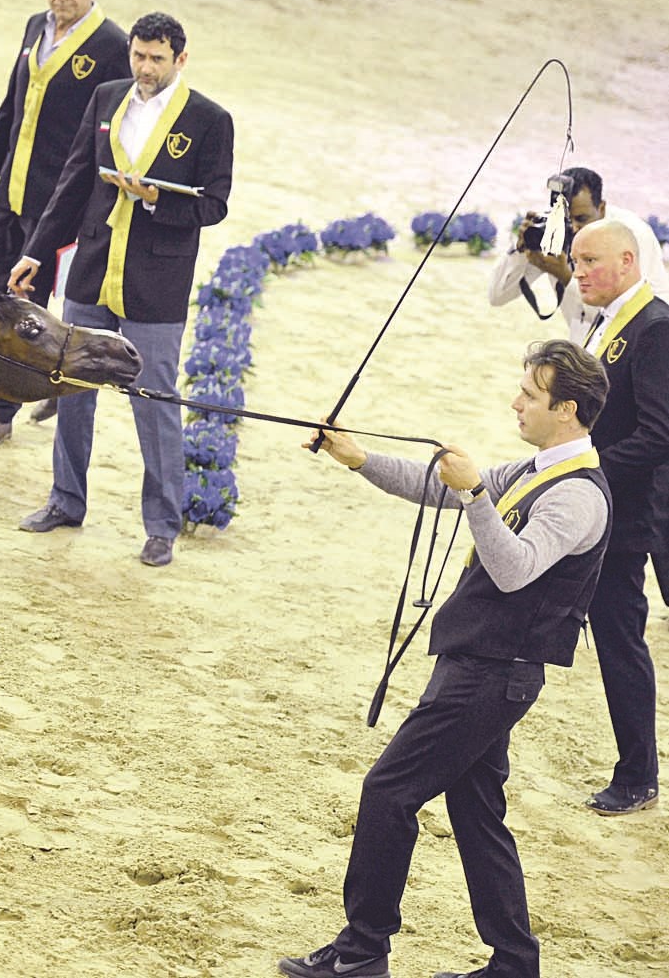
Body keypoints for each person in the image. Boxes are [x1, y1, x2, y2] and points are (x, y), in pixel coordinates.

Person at [282, 339, 612, 978]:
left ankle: (362, 950)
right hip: (481, 666)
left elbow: (515, 570)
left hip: (493, 674)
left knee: (388, 792)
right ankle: (514, 963)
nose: (516, 401)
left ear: (567, 408)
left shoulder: (578, 496)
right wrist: (356, 457)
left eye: (531, 395)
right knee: (477, 811)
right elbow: (437, 487)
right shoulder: (536, 466)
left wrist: (477, 499)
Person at [9, 12, 233, 567]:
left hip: (155, 285)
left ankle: (161, 525)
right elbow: (74, 180)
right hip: (92, 268)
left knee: (153, 400)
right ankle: (65, 500)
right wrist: (37, 249)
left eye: (157, 58)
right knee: (70, 385)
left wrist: (157, 199)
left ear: (180, 59)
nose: (145, 67)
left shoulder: (209, 119)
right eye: (138, 55)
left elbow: (215, 204)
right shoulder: (109, 97)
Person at [0, 0, 129, 447]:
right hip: (11, 189)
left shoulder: (113, 45)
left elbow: (107, 135)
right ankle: (14, 394)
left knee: (30, 306)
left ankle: (0, 411)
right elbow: (11, 109)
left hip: (61, 203)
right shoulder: (36, 26)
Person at [570, 218, 668, 816]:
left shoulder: (654, 328)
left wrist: (588, 472)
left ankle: (638, 775)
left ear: (628, 262)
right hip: (604, 502)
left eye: (589, 262)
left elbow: (660, 434)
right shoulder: (611, 321)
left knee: (619, 638)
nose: (577, 273)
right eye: (575, 261)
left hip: (629, 513)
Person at [488, 165, 669, 344]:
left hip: (637, 344)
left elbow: (623, 313)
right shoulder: (553, 230)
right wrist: (521, 250)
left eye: (581, 219)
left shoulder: (630, 236)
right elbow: (497, 296)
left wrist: (565, 276)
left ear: (602, 209)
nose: (573, 228)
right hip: (583, 347)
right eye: (566, 219)